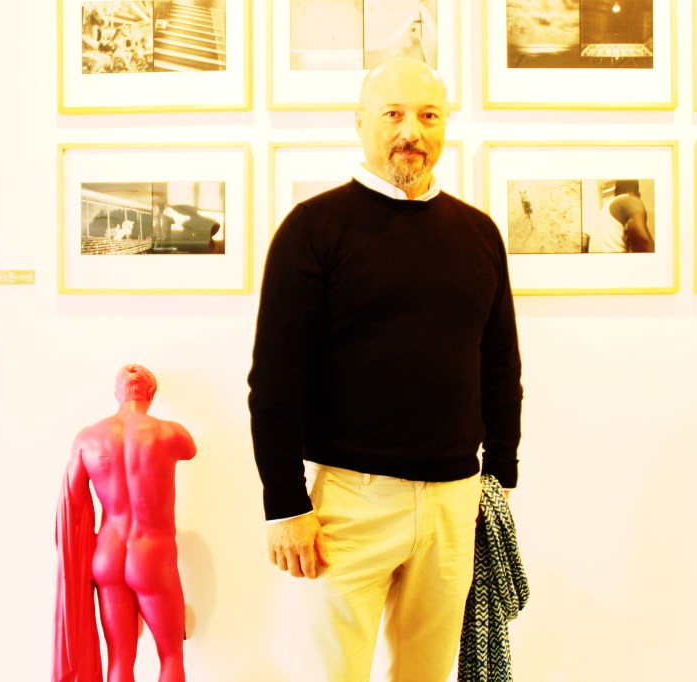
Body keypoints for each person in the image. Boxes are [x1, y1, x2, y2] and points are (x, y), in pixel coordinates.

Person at [247, 57, 523, 682]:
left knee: (426, 675)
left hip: (455, 500)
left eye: (428, 116)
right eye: (393, 114)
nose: (410, 132)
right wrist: (284, 504)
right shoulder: (313, 229)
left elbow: (500, 364)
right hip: (350, 503)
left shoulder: (478, 233)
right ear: (360, 121)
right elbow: (275, 381)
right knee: (330, 675)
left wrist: (499, 476)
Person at [53, 365, 196, 682]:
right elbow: (191, 450)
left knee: (119, 660)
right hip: (152, 554)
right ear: (151, 393)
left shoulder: (86, 439)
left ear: (116, 394)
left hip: (107, 556)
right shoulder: (171, 433)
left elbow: (72, 503)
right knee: (171, 656)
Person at [585, 179, 655, 253]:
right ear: (638, 195)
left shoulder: (604, 212)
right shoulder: (631, 200)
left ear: (615, 193)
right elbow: (645, 243)